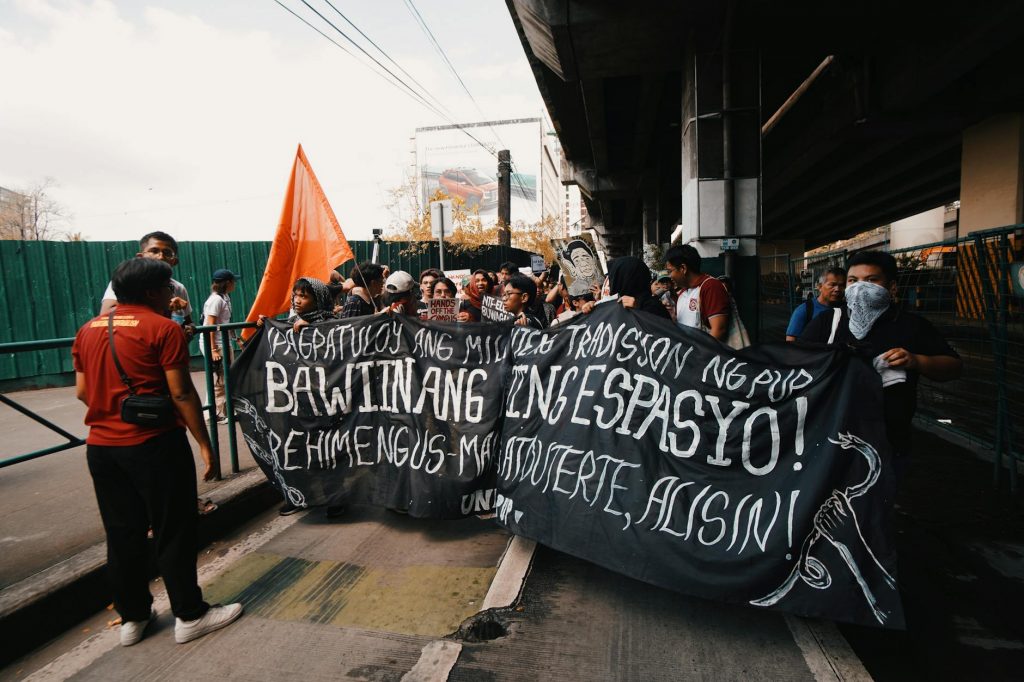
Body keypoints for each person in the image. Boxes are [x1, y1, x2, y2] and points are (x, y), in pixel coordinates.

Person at [72, 258, 243, 647]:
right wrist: (205, 445)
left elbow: (83, 392)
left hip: (101, 448)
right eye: (168, 287)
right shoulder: (162, 330)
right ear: (152, 292)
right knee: (173, 530)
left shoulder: (88, 330)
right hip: (153, 446)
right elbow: (182, 393)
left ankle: (132, 619)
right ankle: (190, 615)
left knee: (122, 534)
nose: (173, 294)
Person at [800, 251, 962, 471]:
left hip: (889, 440)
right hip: (829, 435)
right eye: (853, 281)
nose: (859, 287)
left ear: (892, 287)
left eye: (871, 280)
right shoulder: (827, 322)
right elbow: (797, 364)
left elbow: (953, 367)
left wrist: (916, 361)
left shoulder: (911, 326)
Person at [100, 231, 194, 335]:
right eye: (154, 251)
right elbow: (106, 316)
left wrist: (189, 330)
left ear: (174, 261)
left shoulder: (179, 288)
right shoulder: (127, 280)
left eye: (167, 253)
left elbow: (188, 323)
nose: (160, 257)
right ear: (141, 257)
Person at [664, 244, 731, 341]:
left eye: (670, 271)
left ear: (683, 268)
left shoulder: (710, 286)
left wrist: (701, 355)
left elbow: (719, 329)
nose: (670, 276)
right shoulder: (682, 293)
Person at [200, 269, 239, 424]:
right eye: (233, 281)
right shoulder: (216, 300)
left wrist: (236, 338)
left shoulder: (225, 297)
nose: (234, 284)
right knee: (219, 379)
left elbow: (226, 323)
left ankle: (221, 410)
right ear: (227, 283)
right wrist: (213, 349)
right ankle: (214, 414)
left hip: (224, 342)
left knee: (224, 378)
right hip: (215, 343)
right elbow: (211, 325)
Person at [786, 267, 846, 341]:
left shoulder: (846, 309)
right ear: (819, 287)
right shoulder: (805, 310)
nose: (837, 289)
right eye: (832, 285)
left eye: (842, 285)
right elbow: (791, 341)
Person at [606, 256, 671, 320]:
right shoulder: (618, 303)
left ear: (626, 279)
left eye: (615, 278)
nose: (610, 283)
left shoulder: (653, 307)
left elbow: (664, 328)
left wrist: (639, 310)